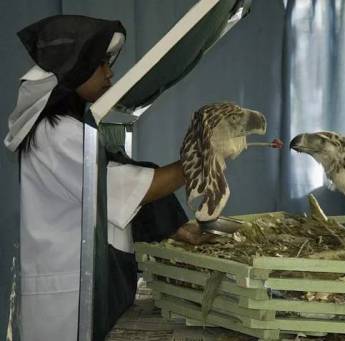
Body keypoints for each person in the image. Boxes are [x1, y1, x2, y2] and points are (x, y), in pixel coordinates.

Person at [4, 15, 210, 341]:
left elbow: (121, 183)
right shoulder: (57, 133)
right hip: (66, 304)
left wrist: (177, 225)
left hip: (78, 290)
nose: (110, 73)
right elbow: (124, 188)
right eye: (101, 64)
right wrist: (203, 158)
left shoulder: (72, 128)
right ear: (77, 68)